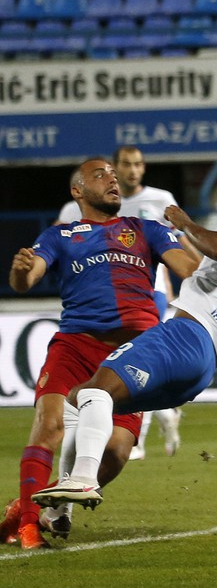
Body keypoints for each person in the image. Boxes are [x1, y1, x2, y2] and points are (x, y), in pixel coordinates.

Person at [33, 198, 217, 510]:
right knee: (85, 399)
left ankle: (82, 478)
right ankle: (58, 510)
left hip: (183, 337)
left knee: (92, 391)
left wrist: (184, 221)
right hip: (201, 373)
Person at [3, 157, 198, 548]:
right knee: (49, 426)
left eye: (113, 174)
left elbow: (192, 270)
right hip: (77, 345)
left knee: (118, 452)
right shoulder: (60, 235)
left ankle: (31, 507)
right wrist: (21, 270)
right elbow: (26, 280)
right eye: (101, 175)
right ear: (78, 190)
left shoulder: (146, 230)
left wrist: (188, 232)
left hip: (134, 353)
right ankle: (27, 526)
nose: (112, 179)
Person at [58, 145, 187, 461]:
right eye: (126, 165)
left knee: (133, 362)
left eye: (138, 164)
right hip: (100, 301)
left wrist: (171, 284)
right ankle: (165, 414)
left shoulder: (160, 199)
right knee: (119, 367)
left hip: (149, 294)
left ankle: (136, 439)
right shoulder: (86, 204)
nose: (132, 171)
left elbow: (174, 245)